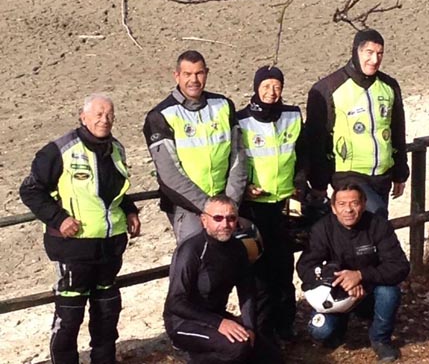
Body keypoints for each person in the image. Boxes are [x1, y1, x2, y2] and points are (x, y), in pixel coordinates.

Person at [19, 93, 140, 364]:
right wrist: (59, 218)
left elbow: (113, 189)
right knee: (70, 316)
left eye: (109, 114)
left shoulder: (117, 148)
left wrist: (130, 209)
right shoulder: (61, 149)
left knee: (107, 313)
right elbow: (30, 190)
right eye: (97, 114)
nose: (104, 119)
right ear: (83, 117)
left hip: (111, 245)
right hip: (74, 247)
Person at [297, 182, 410, 362]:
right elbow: (305, 267)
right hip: (336, 291)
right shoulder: (322, 229)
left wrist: (360, 276)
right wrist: (339, 282)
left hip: (371, 289)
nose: (348, 209)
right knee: (320, 332)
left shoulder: (378, 225)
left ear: (363, 205)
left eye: (354, 203)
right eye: (342, 204)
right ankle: (340, 325)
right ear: (333, 208)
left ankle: (380, 339)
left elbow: (400, 266)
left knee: (390, 292)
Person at [143, 50, 247, 243]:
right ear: (177, 76)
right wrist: (208, 207)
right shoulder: (160, 116)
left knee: (229, 263)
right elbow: (169, 174)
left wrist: (229, 203)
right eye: (187, 74)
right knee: (195, 262)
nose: (194, 80)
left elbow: (238, 156)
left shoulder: (224, 105)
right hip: (187, 208)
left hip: (225, 206)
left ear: (206, 73)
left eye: (199, 73)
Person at [305, 29, 409, 218]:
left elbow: (397, 130)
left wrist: (400, 172)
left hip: (382, 174)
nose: (374, 60)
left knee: (369, 237)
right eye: (368, 53)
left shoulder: (389, 86)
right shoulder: (329, 88)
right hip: (348, 175)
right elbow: (316, 139)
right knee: (376, 218)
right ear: (356, 51)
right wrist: (319, 183)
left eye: (379, 53)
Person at [237, 65, 306, 342]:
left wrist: (299, 187)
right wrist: (244, 188)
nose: (271, 91)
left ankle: (285, 324)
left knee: (284, 266)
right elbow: (236, 158)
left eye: (276, 86)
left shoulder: (292, 115)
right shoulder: (241, 119)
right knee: (258, 272)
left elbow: (303, 155)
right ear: (256, 88)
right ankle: (260, 328)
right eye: (265, 86)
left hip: (285, 202)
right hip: (256, 205)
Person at [164, 195, 256, 364]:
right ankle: (194, 359)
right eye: (218, 218)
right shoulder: (192, 250)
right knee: (237, 348)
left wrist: (250, 328)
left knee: (265, 351)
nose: (225, 225)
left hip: (216, 315)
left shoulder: (237, 248)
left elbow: (247, 291)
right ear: (204, 221)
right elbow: (175, 302)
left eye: (231, 218)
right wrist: (220, 323)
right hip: (184, 322)